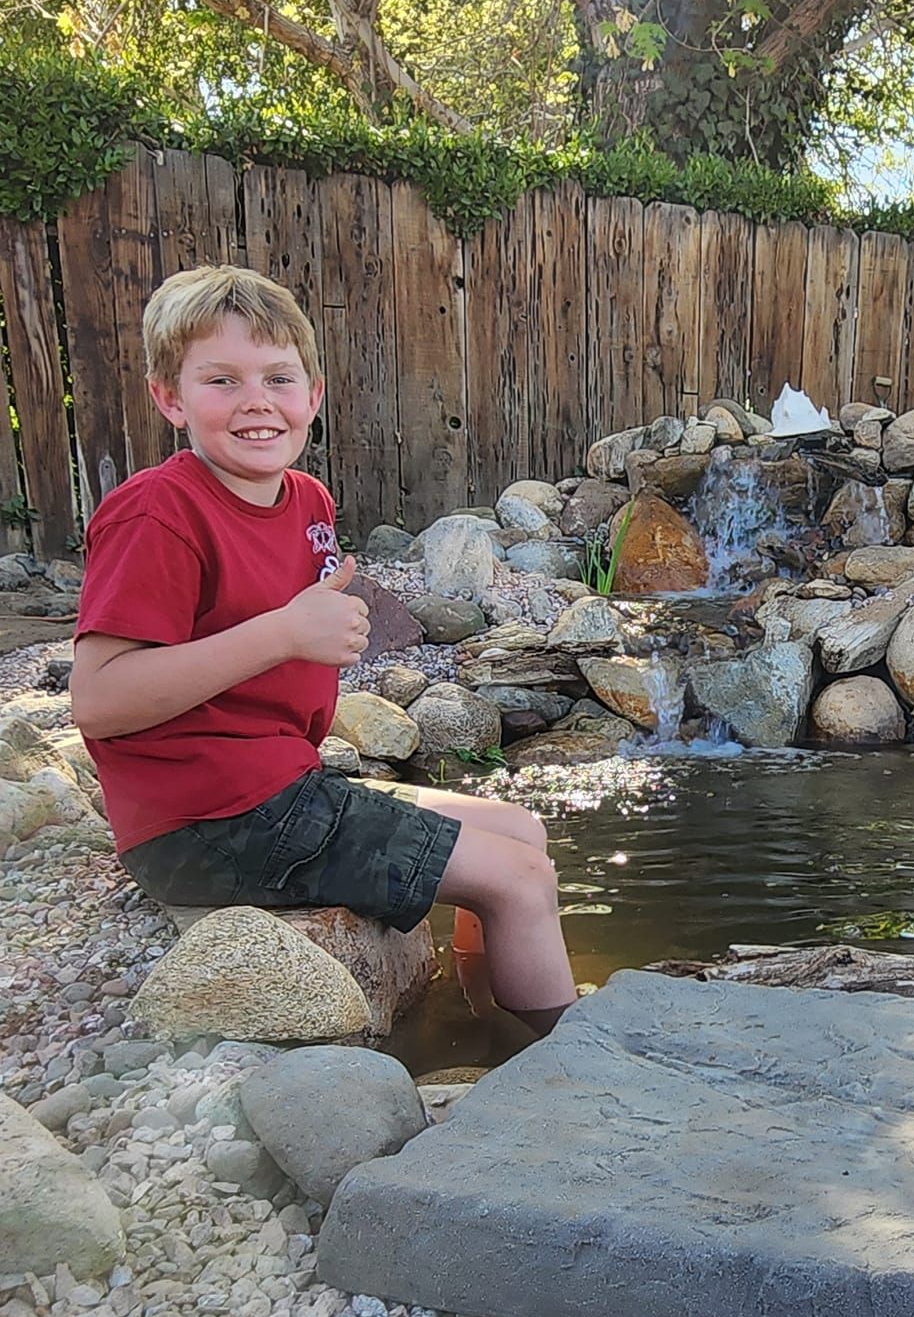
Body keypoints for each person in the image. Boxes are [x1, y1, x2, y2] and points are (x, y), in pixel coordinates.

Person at [70, 263, 578, 1037]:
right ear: (170, 398)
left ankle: (486, 1024)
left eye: (279, 377)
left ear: (314, 395)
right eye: (222, 380)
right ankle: (564, 1069)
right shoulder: (156, 514)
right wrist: (282, 634)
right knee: (519, 878)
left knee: (522, 831)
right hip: (213, 824)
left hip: (281, 791)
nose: (256, 401)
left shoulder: (306, 499)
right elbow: (99, 701)